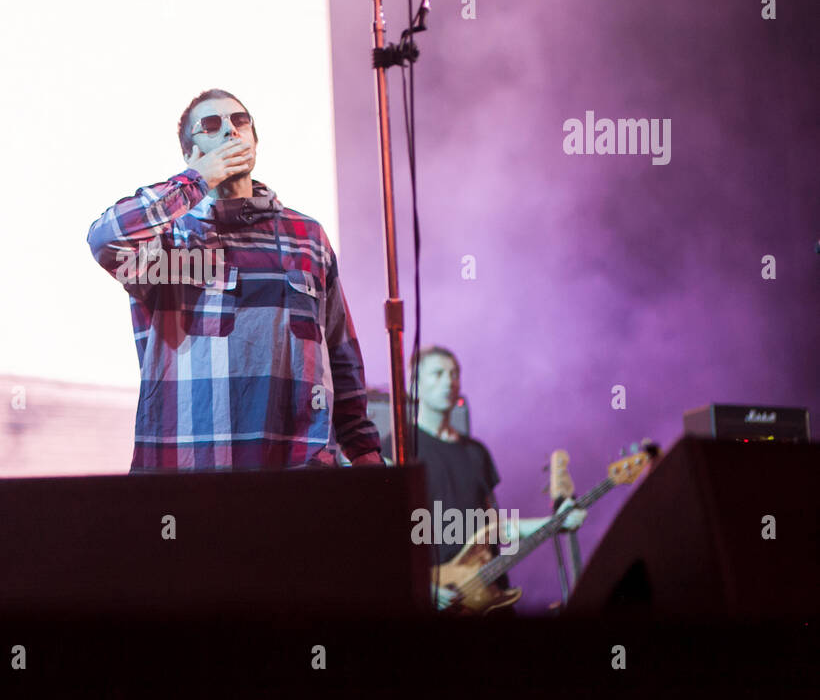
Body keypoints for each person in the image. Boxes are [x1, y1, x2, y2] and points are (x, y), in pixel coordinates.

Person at [86, 88, 383, 472]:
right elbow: (104, 239)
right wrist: (197, 181)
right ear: (190, 154)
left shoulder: (306, 235)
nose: (230, 130)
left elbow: (339, 351)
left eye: (240, 121)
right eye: (211, 125)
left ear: (254, 140)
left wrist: (363, 449)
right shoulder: (169, 239)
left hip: (300, 471)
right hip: (193, 472)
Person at [409, 345, 585, 595]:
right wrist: (426, 590)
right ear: (413, 384)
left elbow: (498, 529)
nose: (449, 381)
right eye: (438, 374)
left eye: (454, 374)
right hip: (439, 594)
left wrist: (556, 522)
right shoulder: (399, 447)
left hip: (489, 592)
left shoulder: (476, 452)